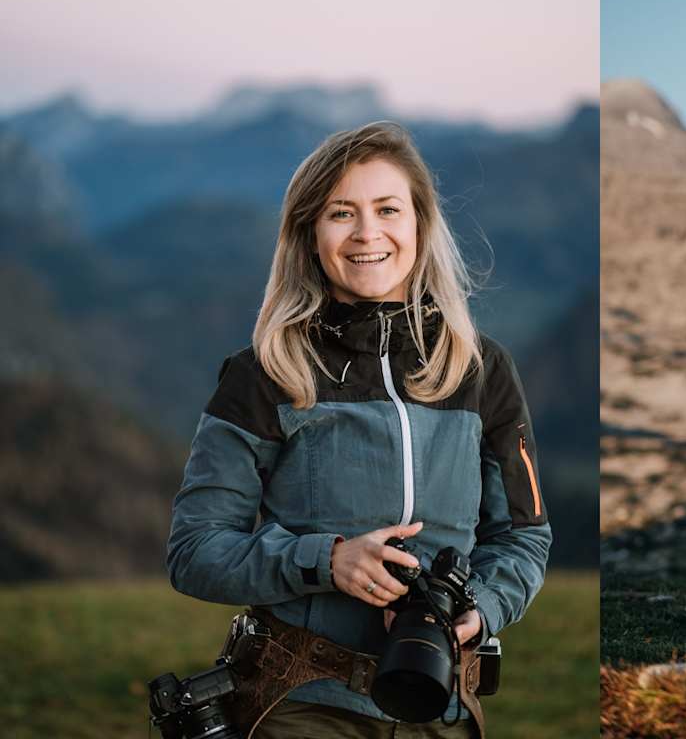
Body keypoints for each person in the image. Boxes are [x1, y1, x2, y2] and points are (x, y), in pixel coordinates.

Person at [166, 123, 552, 738]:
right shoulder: (263, 375)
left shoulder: (482, 369)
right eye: (341, 213)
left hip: (442, 709)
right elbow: (193, 551)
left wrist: (480, 609)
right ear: (309, 235)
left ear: (420, 225)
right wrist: (326, 561)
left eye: (388, 209)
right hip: (300, 705)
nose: (368, 233)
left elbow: (524, 537)